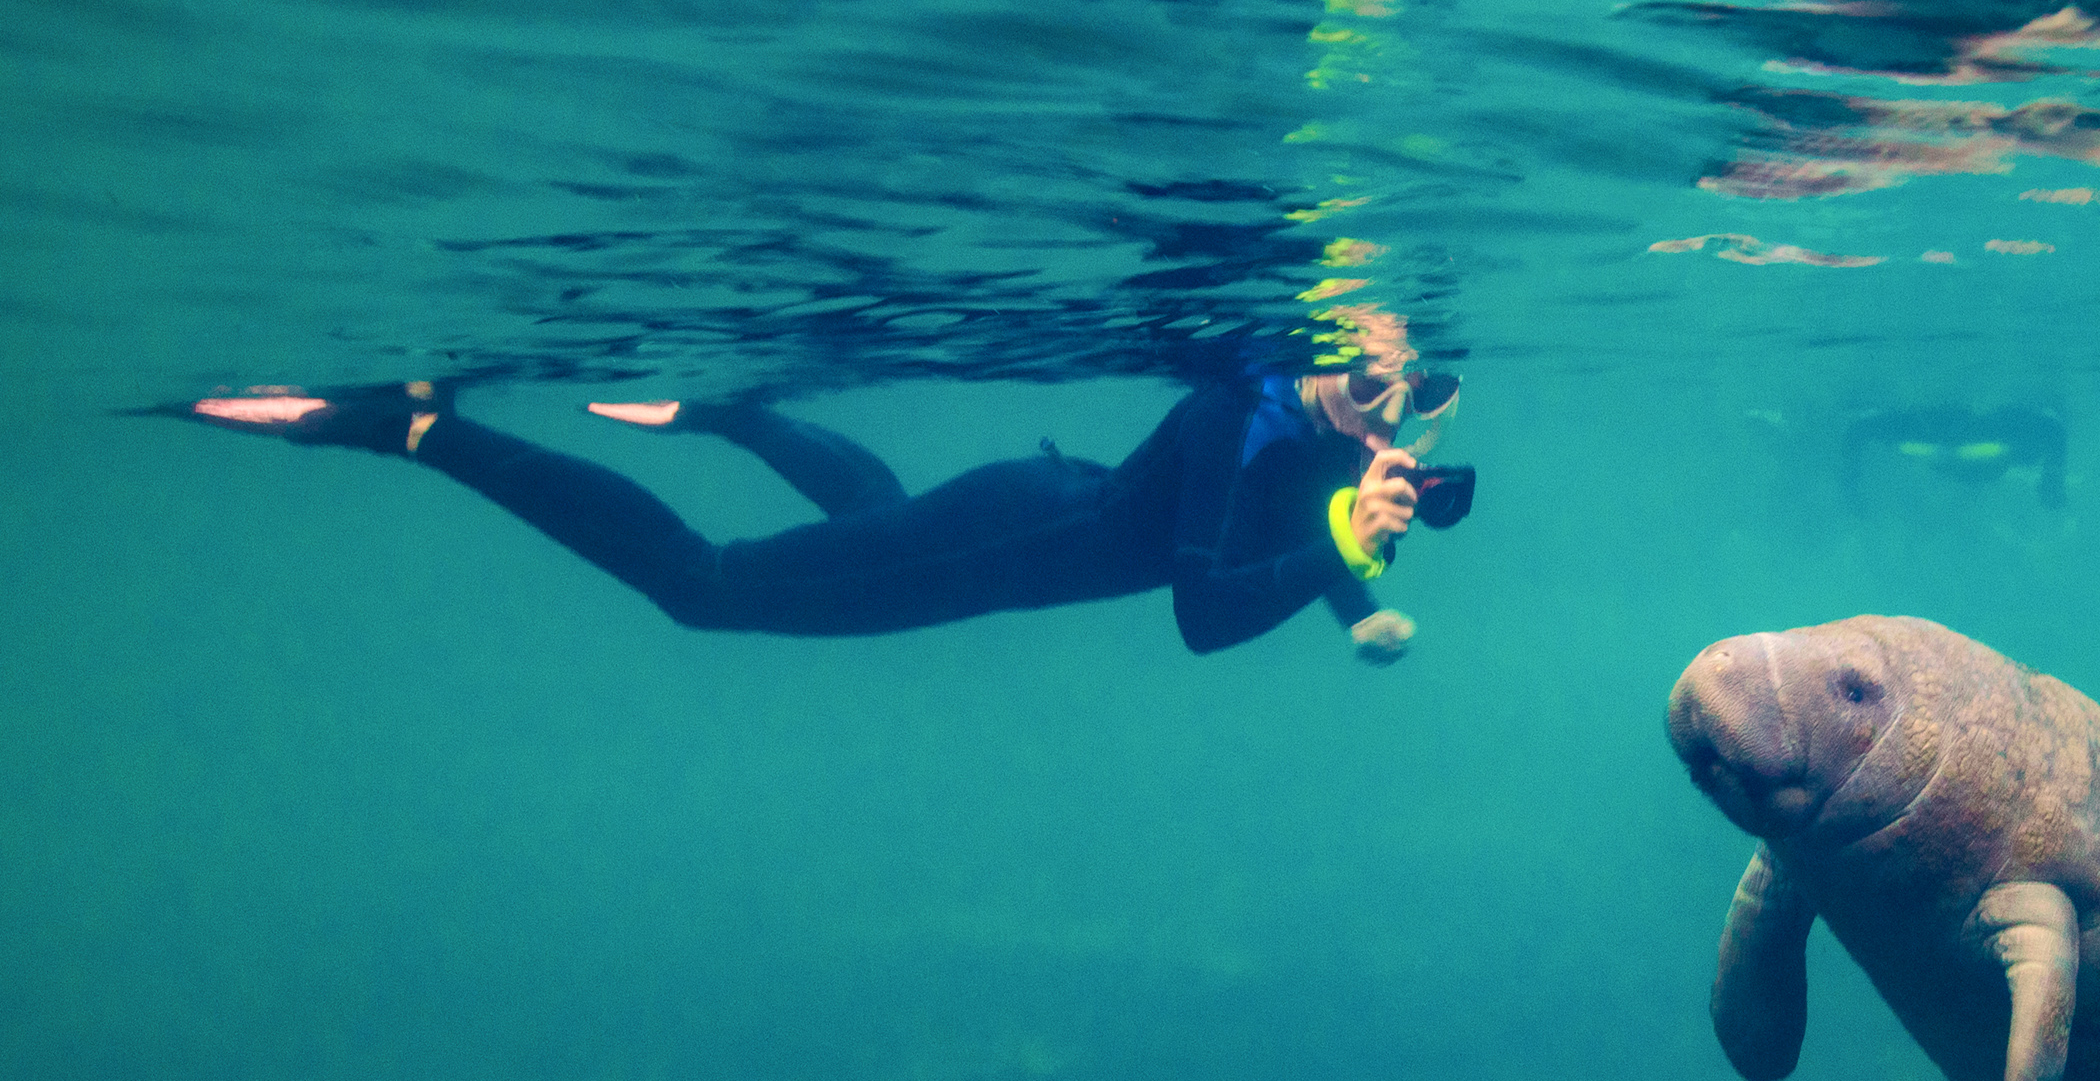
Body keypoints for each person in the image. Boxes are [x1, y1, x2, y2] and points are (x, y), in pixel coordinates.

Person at [181, 361, 1468, 661]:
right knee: (704, 587)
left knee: (882, 518)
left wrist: (1359, 576)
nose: (1399, 415)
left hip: (1017, 523)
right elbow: (1200, 610)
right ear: (1327, 363)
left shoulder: (1314, 436)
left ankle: (744, 415)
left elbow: (1291, 534)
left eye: (1422, 399)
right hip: (1013, 536)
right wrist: (1345, 552)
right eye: (1378, 386)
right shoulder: (1244, 404)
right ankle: (422, 427)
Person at [1838, 404, 2069, 509]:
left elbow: (1859, 428)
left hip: (1941, 434)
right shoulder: (2008, 430)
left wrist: (1850, 487)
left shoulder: (1921, 436)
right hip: (1951, 435)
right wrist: (2052, 483)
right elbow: (2053, 429)